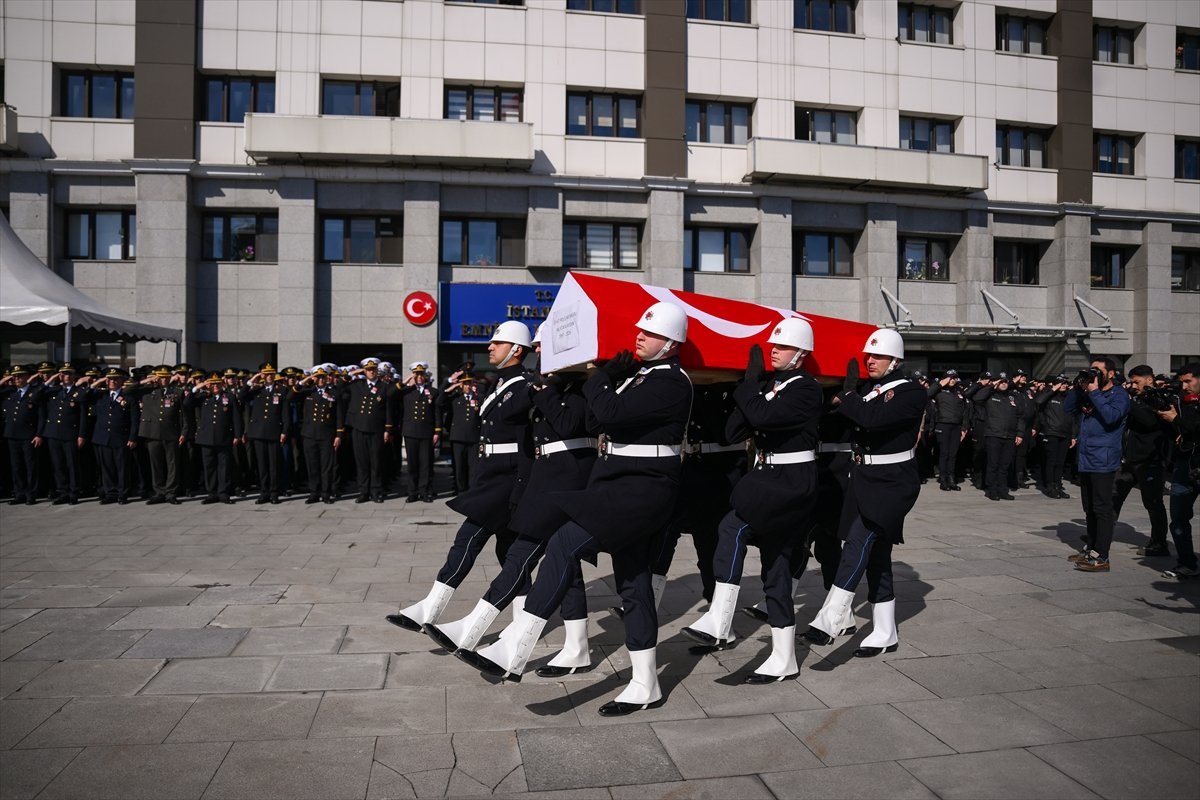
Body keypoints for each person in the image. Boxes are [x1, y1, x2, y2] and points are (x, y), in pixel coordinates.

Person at [462, 301, 693, 717]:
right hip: (619, 485)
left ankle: (517, 644)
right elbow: (603, 417)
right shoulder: (642, 377)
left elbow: (607, 413)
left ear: (672, 343)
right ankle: (646, 683)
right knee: (634, 583)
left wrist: (602, 376)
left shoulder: (672, 381)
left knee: (564, 544)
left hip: (642, 490)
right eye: (640, 330)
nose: (640, 336)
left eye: (651, 333)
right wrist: (609, 377)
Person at [427, 325, 597, 665]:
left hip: (568, 480)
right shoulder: (550, 384)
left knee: (521, 554)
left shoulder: (581, 385)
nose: (537, 352)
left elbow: (568, 425)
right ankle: (577, 647)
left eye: (542, 346)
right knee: (563, 564)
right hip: (544, 478)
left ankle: (474, 628)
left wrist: (544, 390)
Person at [680, 318, 821, 683]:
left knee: (733, 527)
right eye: (773, 345)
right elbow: (733, 432)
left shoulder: (806, 388)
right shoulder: (771, 387)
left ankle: (720, 618)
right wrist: (747, 389)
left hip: (791, 481)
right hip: (769, 477)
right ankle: (784, 657)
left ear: (801, 354)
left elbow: (763, 416)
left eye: (782, 347)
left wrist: (749, 387)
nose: (774, 351)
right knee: (776, 567)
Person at [386, 321, 534, 632]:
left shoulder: (524, 386)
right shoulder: (500, 384)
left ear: (516, 350)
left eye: (498, 343)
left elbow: (525, 442)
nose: (490, 347)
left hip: (507, 478)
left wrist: (521, 488)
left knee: (468, 538)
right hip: (492, 474)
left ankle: (430, 609)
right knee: (508, 551)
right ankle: (524, 621)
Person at [803, 328, 926, 658]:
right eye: (868, 356)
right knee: (877, 556)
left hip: (893, 481)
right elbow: (840, 415)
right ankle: (885, 632)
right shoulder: (868, 389)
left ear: (895, 360)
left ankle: (830, 618)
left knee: (858, 540)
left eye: (878, 356)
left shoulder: (911, 391)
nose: (870, 361)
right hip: (863, 478)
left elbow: (872, 419)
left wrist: (848, 397)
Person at [1064, 357, 1131, 573]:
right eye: (1091, 370)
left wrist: (1094, 393)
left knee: (1102, 508)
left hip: (1104, 459)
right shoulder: (1090, 391)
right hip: (1086, 458)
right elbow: (1068, 408)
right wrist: (1078, 387)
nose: (1094, 374)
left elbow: (1111, 417)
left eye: (1099, 371)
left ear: (1111, 373)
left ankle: (1102, 556)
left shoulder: (1119, 394)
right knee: (1089, 508)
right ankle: (1091, 549)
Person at [1113, 365, 1171, 557]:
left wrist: (1130, 402)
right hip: (1129, 459)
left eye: (1137, 382)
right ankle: (1101, 536)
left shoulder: (1159, 398)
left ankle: (1159, 543)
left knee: (1153, 503)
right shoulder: (1137, 398)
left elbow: (1150, 421)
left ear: (1149, 380)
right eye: (1131, 382)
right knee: (1114, 497)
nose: (1133, 386)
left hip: (1150, 460)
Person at [1158, 362, 1200, 579]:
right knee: (1178, 517)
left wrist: (1177, 420)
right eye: (1181, 382)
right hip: (1184, 463)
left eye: (1188, 381)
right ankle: (1186, 563)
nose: (1184, 386)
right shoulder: (1183, 401)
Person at [340, 358, 396, 503]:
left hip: (377, 430)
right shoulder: (357, 385)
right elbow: (340, 386)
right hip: (359, 428)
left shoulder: (384, 387)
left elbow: (388, 410)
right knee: (362, 462)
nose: (371, 372)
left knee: (376, 462)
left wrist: (387, 429)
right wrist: (353, 373)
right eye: (368, 370)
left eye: (373, 370)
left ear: (377, 371)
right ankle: (363, 492)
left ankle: (376, 491)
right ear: (364, 371)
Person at [85, 367, 141, 504]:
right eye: (110, 379)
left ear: (121, 381)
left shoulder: (128, 398)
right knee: (107, 468)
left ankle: (123, 494)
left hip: (121, 437)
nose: (113, 382)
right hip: (103, 437)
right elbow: (85, 394)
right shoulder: (101, 395)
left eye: (116, 379)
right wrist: (98, 381)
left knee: (122, 467)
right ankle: (110, 493)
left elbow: (134, 420)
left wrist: (132, 437)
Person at [135, 366, 190, 505]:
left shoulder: (177, 392)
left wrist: (184, 432)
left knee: (172, 465)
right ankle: (159, 492)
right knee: (156, 465)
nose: (163, 379)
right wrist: (147, 381)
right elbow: (127, 390)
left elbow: (184, 415)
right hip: (152, 433)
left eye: (166, 377)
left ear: (170, 377)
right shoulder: (147, 391)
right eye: (161, 377)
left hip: (171, 433)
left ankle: (171, 493)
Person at [967, 373, 1026, 501]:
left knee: (1004, 465)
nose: (1003, 384)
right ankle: (992, 490)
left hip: (1010, 436)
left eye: (1005, 382)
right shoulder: (990, 395)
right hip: (993, 435)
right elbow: (977, 398)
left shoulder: (1013, 397)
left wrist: (1020, 433)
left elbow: (1020, 416)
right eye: (1001, 381)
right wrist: (992, 385)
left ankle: (1002, 489)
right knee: (993, 464)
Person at [188, 372, 244, 504]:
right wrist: (197, 388)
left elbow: (236, 417)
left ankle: (223, 493)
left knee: (224, 466)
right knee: (209, 467)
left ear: (221, 384)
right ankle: (212, 493)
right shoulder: (203, 396)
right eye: (212, 384)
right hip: (206, 437)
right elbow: (187, 403)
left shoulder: (229, 397)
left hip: (224, 437)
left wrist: (237, 435)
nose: (215, 386)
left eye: (217, 384)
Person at [243, 363, 291, 505]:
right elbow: (241, 396)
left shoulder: (281, 390)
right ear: (262, 375)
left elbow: (285, 413)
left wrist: (284, 431)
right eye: (266, 374)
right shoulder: (257, 389)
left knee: (274, 465)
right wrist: (253, 380)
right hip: (258, 432)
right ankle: (264, 492)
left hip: (274, 432)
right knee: (262, 465)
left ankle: (274, 493)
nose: (269, 376)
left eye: (271, 374)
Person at [40, 363, 86, 505]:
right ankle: (62, 492)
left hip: (70, 434)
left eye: (69, 373)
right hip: (53, 433)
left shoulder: (79, 392)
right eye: (64, 374)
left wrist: (81, 435)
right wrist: (51, 379)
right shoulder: (53, 390)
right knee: (58, 464)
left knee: (72, 464)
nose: (67, 376)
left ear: (74, 376)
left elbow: (82, 416)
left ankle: (74, 492)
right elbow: (36, 395)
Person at [293, 367, 341, 504]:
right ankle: (314, 493)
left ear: (326, 378)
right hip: (309, 435)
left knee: (326, 467)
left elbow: (339, 415)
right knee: (312, 466)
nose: (320, 380)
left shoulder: (333, 393)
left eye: (323, 377)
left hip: (327, 435)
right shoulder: (308, 391)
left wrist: (338, 434)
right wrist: (305, 380)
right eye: (318, 377)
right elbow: (291, 396)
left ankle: (326, 493)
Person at [0, 365, 45, 505]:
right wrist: (3, 381)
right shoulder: (10, 392)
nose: (17, 379)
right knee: (16, 466)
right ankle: (19, 493)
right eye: (14, 377)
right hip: (12, 434)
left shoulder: (35, 392)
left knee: (30, 466)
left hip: (29, 435)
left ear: (27, 377)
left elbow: (41, 416)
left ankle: (31, 494)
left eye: (20, 376)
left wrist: (39, 434)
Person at [399, 362, 440, 502]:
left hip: (426, 432)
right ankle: (412, 492)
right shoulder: (406, 391)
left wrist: (437, 431)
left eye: (421, 374)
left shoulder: (433, 392)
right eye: (417, 374)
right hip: (410, 432)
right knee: (412, 464)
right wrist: (407, 381)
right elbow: (392, 393)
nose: (419, 377)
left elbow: (437, 413)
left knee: (425, 464)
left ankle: (424, 492)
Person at [438, 370, 483, 495]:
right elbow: (439, 402)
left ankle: (472, 490)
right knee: (459, 466)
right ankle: (461, 490)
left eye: (469, 383)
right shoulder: (455, 398)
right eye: (465, 384)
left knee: (473, 466)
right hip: (458, 437)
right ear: (461, 385)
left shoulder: (479, 398)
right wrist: (451, 387)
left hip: (474, 437)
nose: (467, 386)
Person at [1034, 375, 1077, 499]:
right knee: (1051, 461)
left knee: (1060, 462)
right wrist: (1053, 389)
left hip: (1065, 434)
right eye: (1061, 383)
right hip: (1051, 432)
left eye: (1065, 383)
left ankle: (1058, 485)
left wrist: (1073, 435)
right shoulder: (1048, 395)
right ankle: (1050, 486)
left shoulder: (1068, 397)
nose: (1064, 385)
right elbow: (1038, 401)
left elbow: (1073, 418)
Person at [928, 369, 966, 491]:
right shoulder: (938, 390)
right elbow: (927, 394)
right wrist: (939, 384)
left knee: (953, 454)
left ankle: (951, 479)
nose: (952, 380)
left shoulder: (959, 392)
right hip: (943, 424)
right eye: (950, 378)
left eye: (954, 378)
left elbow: (964, 410)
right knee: (944, 453)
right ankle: (943, 480)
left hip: (956, 426)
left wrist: (964, 427)